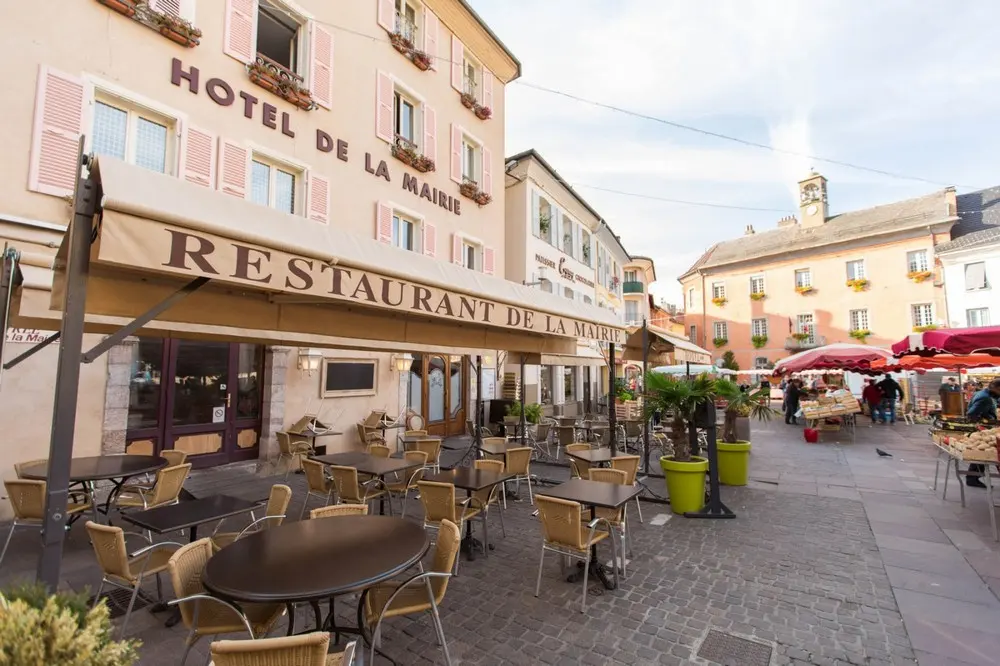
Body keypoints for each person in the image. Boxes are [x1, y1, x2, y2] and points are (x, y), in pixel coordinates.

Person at [964, 379, 1000, 488]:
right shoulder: (985, 398)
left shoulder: (983, 393)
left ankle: (972, 477)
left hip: (983, 427)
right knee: (981, 453)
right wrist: (987, 420)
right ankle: (972, 478)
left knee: (980, 453)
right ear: (996, 388)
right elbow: (971, 413)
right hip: (983, 428)